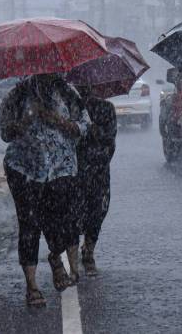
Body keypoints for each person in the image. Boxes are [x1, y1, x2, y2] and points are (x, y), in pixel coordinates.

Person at [0, 73, 90, 307]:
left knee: (58, 220)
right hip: (24, 169)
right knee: (29, 225)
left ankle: (56, 258)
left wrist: (56, 120)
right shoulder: (17, 94)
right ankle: (32, 286)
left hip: (61, 168)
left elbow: (83, 126)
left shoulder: (68, 93)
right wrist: (25, 122)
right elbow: (5, 133)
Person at [75, 86, 117, 277]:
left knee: (97, 210)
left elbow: (110, 140)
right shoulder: (70, 107)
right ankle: (70, 250)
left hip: (98, 169)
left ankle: (89, 250)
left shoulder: (106, 108)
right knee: (72, 211)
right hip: (72, 169)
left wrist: (94, 130)